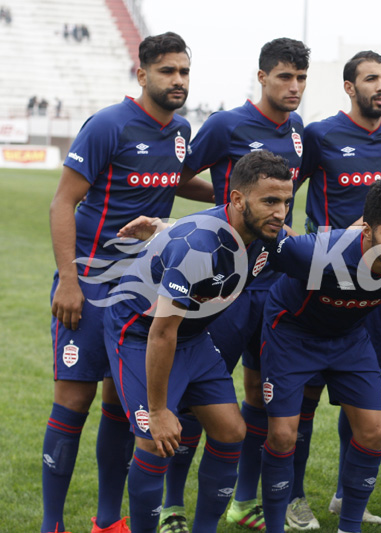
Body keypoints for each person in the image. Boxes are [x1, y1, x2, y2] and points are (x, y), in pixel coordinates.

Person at [44, 31, 210, 533]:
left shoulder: (181, 131)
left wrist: (231, 194)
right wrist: (68, 282)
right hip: (89, 285)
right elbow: (62, 203)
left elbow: (173, 178)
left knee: (121, 403)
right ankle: (52, 524)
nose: (178, 80)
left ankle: (108, 520)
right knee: (74, 401)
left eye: (183, 71)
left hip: (140, 291)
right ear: (143, 75)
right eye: (167, 71)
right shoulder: (109, 125)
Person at [161, 36, 309, 533]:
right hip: (225, 286)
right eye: (285, 76)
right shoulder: (226, 124)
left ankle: (244, 500)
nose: (294, 87)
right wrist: (229, 199)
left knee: (262, 394)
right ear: (262, 77)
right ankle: (171, 505)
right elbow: (177, 177)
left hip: (273, 287)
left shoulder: (299, 131)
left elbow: (283, 197)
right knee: (201, 401)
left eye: (301, 78)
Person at [104, 150, 293, 533]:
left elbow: (310, 251)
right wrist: (158, 411)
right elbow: (161, 331)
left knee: (231, 431)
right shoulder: (200, 249)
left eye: (286, 202)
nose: (280, 211)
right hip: (140, 333)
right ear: (238, 200)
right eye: (270, 201)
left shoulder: (266, 232)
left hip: (191, 334)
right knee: (155, 442)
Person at [259, 174, 381, 533]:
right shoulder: (314, 252)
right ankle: (277, 522)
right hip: (294, 331)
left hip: (349, 335)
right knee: (282, 435)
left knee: (373, 432)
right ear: (367, 232)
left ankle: (348, 527)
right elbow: (251, 237)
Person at [285, 49, 381, 530]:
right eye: (371, 79)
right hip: (323, 280)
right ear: (350, 88)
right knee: (307, 398)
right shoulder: (320, 134)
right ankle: (294, 498)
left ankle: (342, 494)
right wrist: (300, 243)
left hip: (373, 291)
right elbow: (284, 192)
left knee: (361, 392)